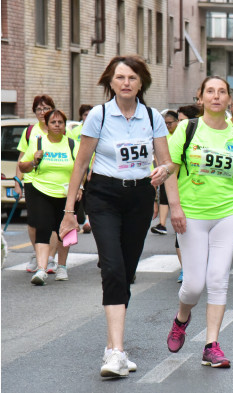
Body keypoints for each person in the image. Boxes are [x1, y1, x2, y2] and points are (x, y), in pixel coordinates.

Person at [59, 55, 172, 377]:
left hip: (139, 197)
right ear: (110, 81)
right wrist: (69, 212)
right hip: (104, 196)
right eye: (120, 77)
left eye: (132, 78)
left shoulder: (152, 117)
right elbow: (80, 165)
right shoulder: (99, 115)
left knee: (126, 271)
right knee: (111, 267)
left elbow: (168, 163)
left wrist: (164, 170)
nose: (126, 82)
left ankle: (114, 347)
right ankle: (116, 352)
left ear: (141, 83)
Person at [163, 76, 233, 368]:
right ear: (201, 97)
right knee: (193, 285)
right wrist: (176, 207)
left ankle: (211, 345)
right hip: (191, 215)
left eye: (222, 92)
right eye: (210, 91)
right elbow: (170, 169)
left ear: (229, 99)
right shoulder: (187, 129)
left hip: (227, 213)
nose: (216, 96)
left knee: (218, 279)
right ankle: (182, 318)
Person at [18, 109, 78, 285]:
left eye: (60, 122)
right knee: (43, 228)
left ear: (65, 125)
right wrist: (34, 161)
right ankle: (42, 269)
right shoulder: (38, 142)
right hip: (41, 190)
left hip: (66, 193)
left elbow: (80, 169)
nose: (57, 125)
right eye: (53, 122)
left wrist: (80, 186)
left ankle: (62, 266)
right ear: (47, 124)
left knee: (64, 231)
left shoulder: (72, 144)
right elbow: (23, 167)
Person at [16, 96, 63, 274]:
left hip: (56, 183)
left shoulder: (59, 129)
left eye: (46, 108)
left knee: (52, 223)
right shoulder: (30, 132)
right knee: (34, 221)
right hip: (32, 181)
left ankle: (50, 258)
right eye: (39, 109)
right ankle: (38, 254)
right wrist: (17, 181)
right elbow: (22, 159)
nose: (43, 112)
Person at [171, 105, 202, 283]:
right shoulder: (178, 136)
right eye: (178, 121)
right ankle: (185, 270)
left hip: (205, 198)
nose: (179, 124)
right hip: (181, 193)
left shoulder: (200, 133)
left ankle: (198, 268)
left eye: (182, 121)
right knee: (181, 235)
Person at [151, 110, 179, 236]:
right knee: (163, 197)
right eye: (165, 123)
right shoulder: (163, 135)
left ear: (177, 122)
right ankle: (162, 224)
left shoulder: (181, 133)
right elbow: (157, 153)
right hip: (166, 171)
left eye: (170, 123)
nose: (167, 126)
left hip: (180, 172)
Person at [69, 104, 94, 234]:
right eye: (85, 115)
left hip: (93, 167)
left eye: (90, 114)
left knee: (90, 194)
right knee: (80, 195)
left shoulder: (97, 130)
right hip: (80, 166)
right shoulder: (75, 132)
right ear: (81, 116)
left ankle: (89, 220)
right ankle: (81, 220)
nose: (87, 117)